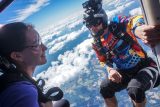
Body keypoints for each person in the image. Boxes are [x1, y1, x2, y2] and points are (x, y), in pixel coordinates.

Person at [82, 0, 160, 107]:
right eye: (89, 25)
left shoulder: (117, 25)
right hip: (125, 73)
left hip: (145, 66)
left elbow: (132, 20)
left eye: (95, 23)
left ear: (103, 20)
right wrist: (110, 70)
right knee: (105, 88)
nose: (92, 28)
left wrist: (138, 29)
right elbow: (104, 60)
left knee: (135, 89)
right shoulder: (97, 44)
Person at [0, 22, 70, 107]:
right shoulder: (24, 93)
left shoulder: (15, 79)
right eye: (36, 44)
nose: (44, 47)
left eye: (40, 40)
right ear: (17, 56)